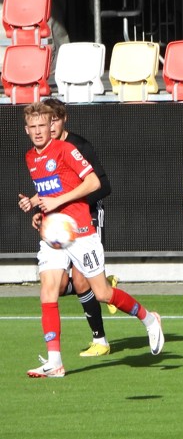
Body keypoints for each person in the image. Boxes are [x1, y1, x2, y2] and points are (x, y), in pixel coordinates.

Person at [21, 102, 163, 378]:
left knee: (102, 293)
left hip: (81, 231)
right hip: (55, 233)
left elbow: (94, 184)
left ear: (52, 126)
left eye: (43, 126)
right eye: (33, 127)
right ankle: (55, 362)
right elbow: (52, 189)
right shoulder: (30, 158)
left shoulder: (66, 150)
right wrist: (36, 208)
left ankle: (149, 319)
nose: (38, 131)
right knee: (48, 291)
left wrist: (56, 202)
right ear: (26, 130)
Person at [18, 98, 118, 358]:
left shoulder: (77, 146)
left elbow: (102, 184)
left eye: (52, 122)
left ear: (60, 120)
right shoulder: (36, 154)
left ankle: (100, 339)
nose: (46, 129)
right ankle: (101, 282)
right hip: (61, 219)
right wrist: (40, 207)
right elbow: (51, 189)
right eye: (38, 125)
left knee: (82, 280)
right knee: (60, 285)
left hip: (88, 214)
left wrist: (69, 208)